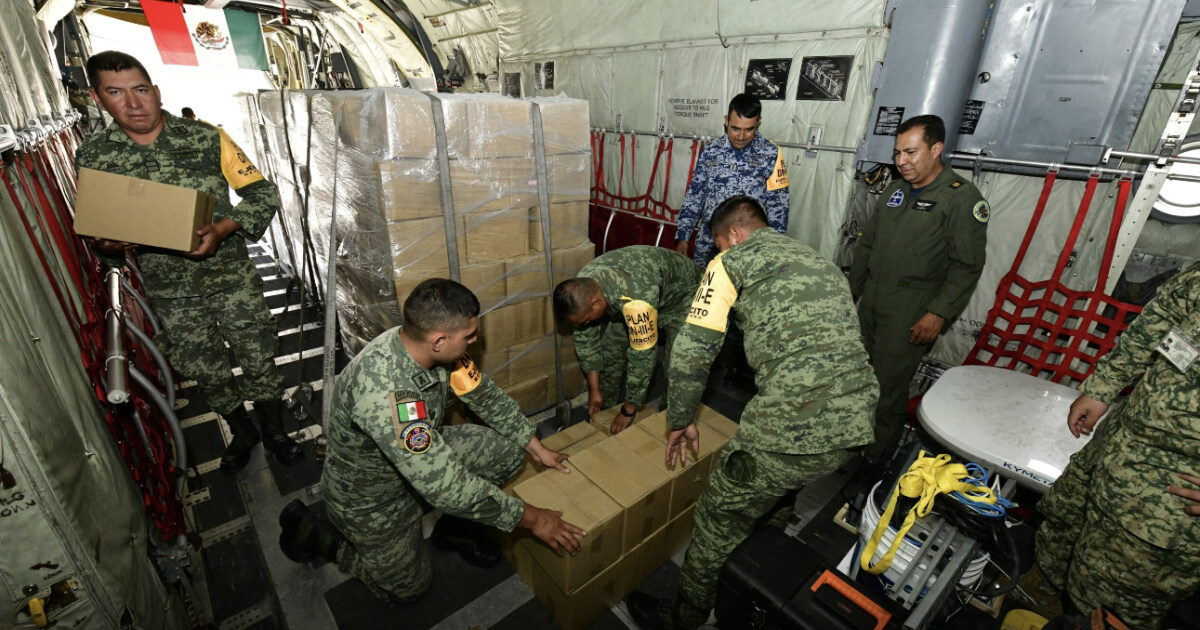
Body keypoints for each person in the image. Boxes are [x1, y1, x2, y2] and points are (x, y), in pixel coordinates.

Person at [626, 196, 878, 630]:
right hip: (855, 423)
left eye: (720, 244)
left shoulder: (728, 263)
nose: (719, 253)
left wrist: (681, 419)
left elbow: (690, 353)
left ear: (736, 236)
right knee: (779, 490)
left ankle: (684, 617)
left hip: (790, 426)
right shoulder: (820, 261)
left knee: (717, 517)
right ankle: (761, 564)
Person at [278, 279, 585, 604]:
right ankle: (313, 531)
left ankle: (453, 529)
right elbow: (448, 487)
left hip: (419, 462)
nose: (475, 340)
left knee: (508, 454)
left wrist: (536, 447)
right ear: (439, 340)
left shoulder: (435, 351)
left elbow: (485, 397)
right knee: (408, 591)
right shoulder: (386, 392)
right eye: (469, 336)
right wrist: (535, 520)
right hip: (372, 498)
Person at [76, 51, 302, 472]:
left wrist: (223, 229)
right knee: (205, 367)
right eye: (116, 93)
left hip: (233, 278)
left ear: (156, 91)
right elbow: (102, 239)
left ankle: (274, 430)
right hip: (171, 291)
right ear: (97, 98)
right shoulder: (95, 158)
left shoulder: (208, 138)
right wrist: (108, 244)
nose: (134, 103)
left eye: (141, 90)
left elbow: (262, 194)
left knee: (258, 355)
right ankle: (242, 430)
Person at [1024, 261, 1200, 629]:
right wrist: (1103, 387)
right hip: (1122, 437)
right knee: (1063, 519)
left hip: (1173, 489)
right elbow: (1161, 319)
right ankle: (1043, 598)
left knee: (1114, 599)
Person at [849, 114, 988, 459]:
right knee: (856, 376)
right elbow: (868, 245)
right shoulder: (895, 190)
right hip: (873, 301)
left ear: (936, 149)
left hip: (911, 309)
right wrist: (849, 291)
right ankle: (850, 441)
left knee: (888, 387)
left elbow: (967, 266)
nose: (901, 162)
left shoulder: (961, 199)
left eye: (911, 153)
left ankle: (875, 457)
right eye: (897, 153)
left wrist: (938, 313)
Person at [552, 246, 701, 433]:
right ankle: (606, 410)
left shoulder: (637, 301)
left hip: (684, 298)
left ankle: (672, 422)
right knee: (611, 351)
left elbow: (643, 356)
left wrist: (629, 410)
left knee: (676, 367)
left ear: (596, 303)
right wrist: (595, 390)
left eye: (588, 319)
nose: (587, 323)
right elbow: (585, 342)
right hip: (644, 290)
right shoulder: (581, 289)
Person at [674, 94, 790, 267]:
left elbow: (778, 206)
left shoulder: (771, 154)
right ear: (726, 121)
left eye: (749, 129)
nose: (741, 136)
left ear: (759, 122)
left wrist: (773, 247)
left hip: (748, 248)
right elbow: (695, 196)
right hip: (709, 245)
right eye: (735, 128)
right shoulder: (711, 152)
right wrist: (683, 237)